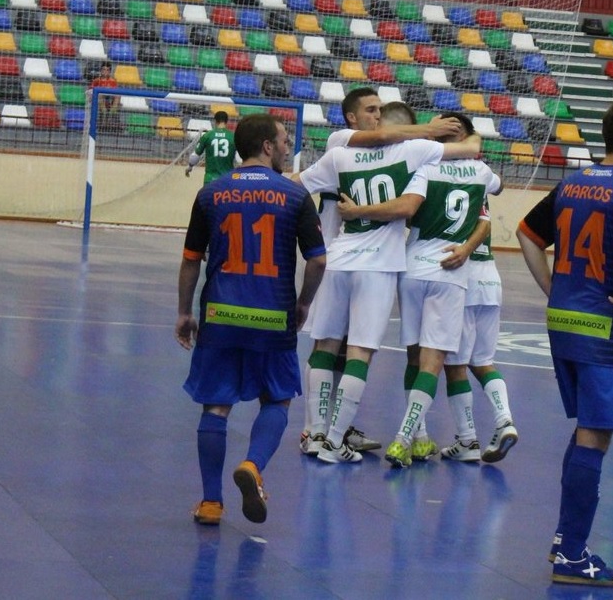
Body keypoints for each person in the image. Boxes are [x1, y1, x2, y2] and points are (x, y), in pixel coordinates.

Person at [515, 100, 613, 587]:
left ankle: (565, 540)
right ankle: (573, 555)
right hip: (605, 329)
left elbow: (526, 234)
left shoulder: (572, 182)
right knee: (597, 435)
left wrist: (551, 287)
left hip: (563, 320)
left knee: (585, 430)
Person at [176, 114, 326, 526]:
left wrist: (185, 312)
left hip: (221, 314)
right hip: (272, 313)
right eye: (282, 141)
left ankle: (210, 503)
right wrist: (302, 304)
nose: (286, 147)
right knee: (277, 398)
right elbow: (318, 260)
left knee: (216, 406)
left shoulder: (211, 194)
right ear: (266, 146)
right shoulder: (294, 195)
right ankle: (253, 467)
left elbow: (191, 260)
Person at [297, 87, 464, 458]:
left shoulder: (338, 154)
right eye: (370, 110)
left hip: (338, 258)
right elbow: (466, 151)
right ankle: (334, 441)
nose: (375, 117)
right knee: (358, 352)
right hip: (377, 265)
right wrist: (435, 131)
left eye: (379, 112)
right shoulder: (412, 152)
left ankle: (316, 432)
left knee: (325, 346)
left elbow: (294, 186)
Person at [335, 112, 499, 468]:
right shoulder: (481, 173)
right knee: (433, 362)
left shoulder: (422, 168)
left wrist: (358, 210)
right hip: (450, 270)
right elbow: (487, 205)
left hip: (412, 267)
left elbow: (407, 211)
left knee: (413, 356)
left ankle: (420, 438)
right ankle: (403, 438)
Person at [440, 220, 517, 464]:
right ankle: (504, 419)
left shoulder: (452, 185)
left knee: (455, 365)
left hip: (465, 280)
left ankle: (467, 439)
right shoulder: (481, 187)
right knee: (483, 361)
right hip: (491, 281)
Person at [186, 111, 237, 186]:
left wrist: (190, 167)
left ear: (215, 121)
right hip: (227, 179)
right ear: (227, 121)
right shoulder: (233, 137)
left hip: (210, 179)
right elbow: (239, 159)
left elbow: (195, 156)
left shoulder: (207, 135)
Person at [90, 63, 119, 131]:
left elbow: (116, 92)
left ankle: (112, 111)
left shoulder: (113, 81)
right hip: (98, 100)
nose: (105, 71)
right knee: (100, 94)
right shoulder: (96, 81)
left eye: (107, 70)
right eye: (104, 69)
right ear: (101, 70)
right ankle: (104, 112)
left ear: (109, 72)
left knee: (117, 96)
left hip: (109, 100)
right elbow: (90, 91)